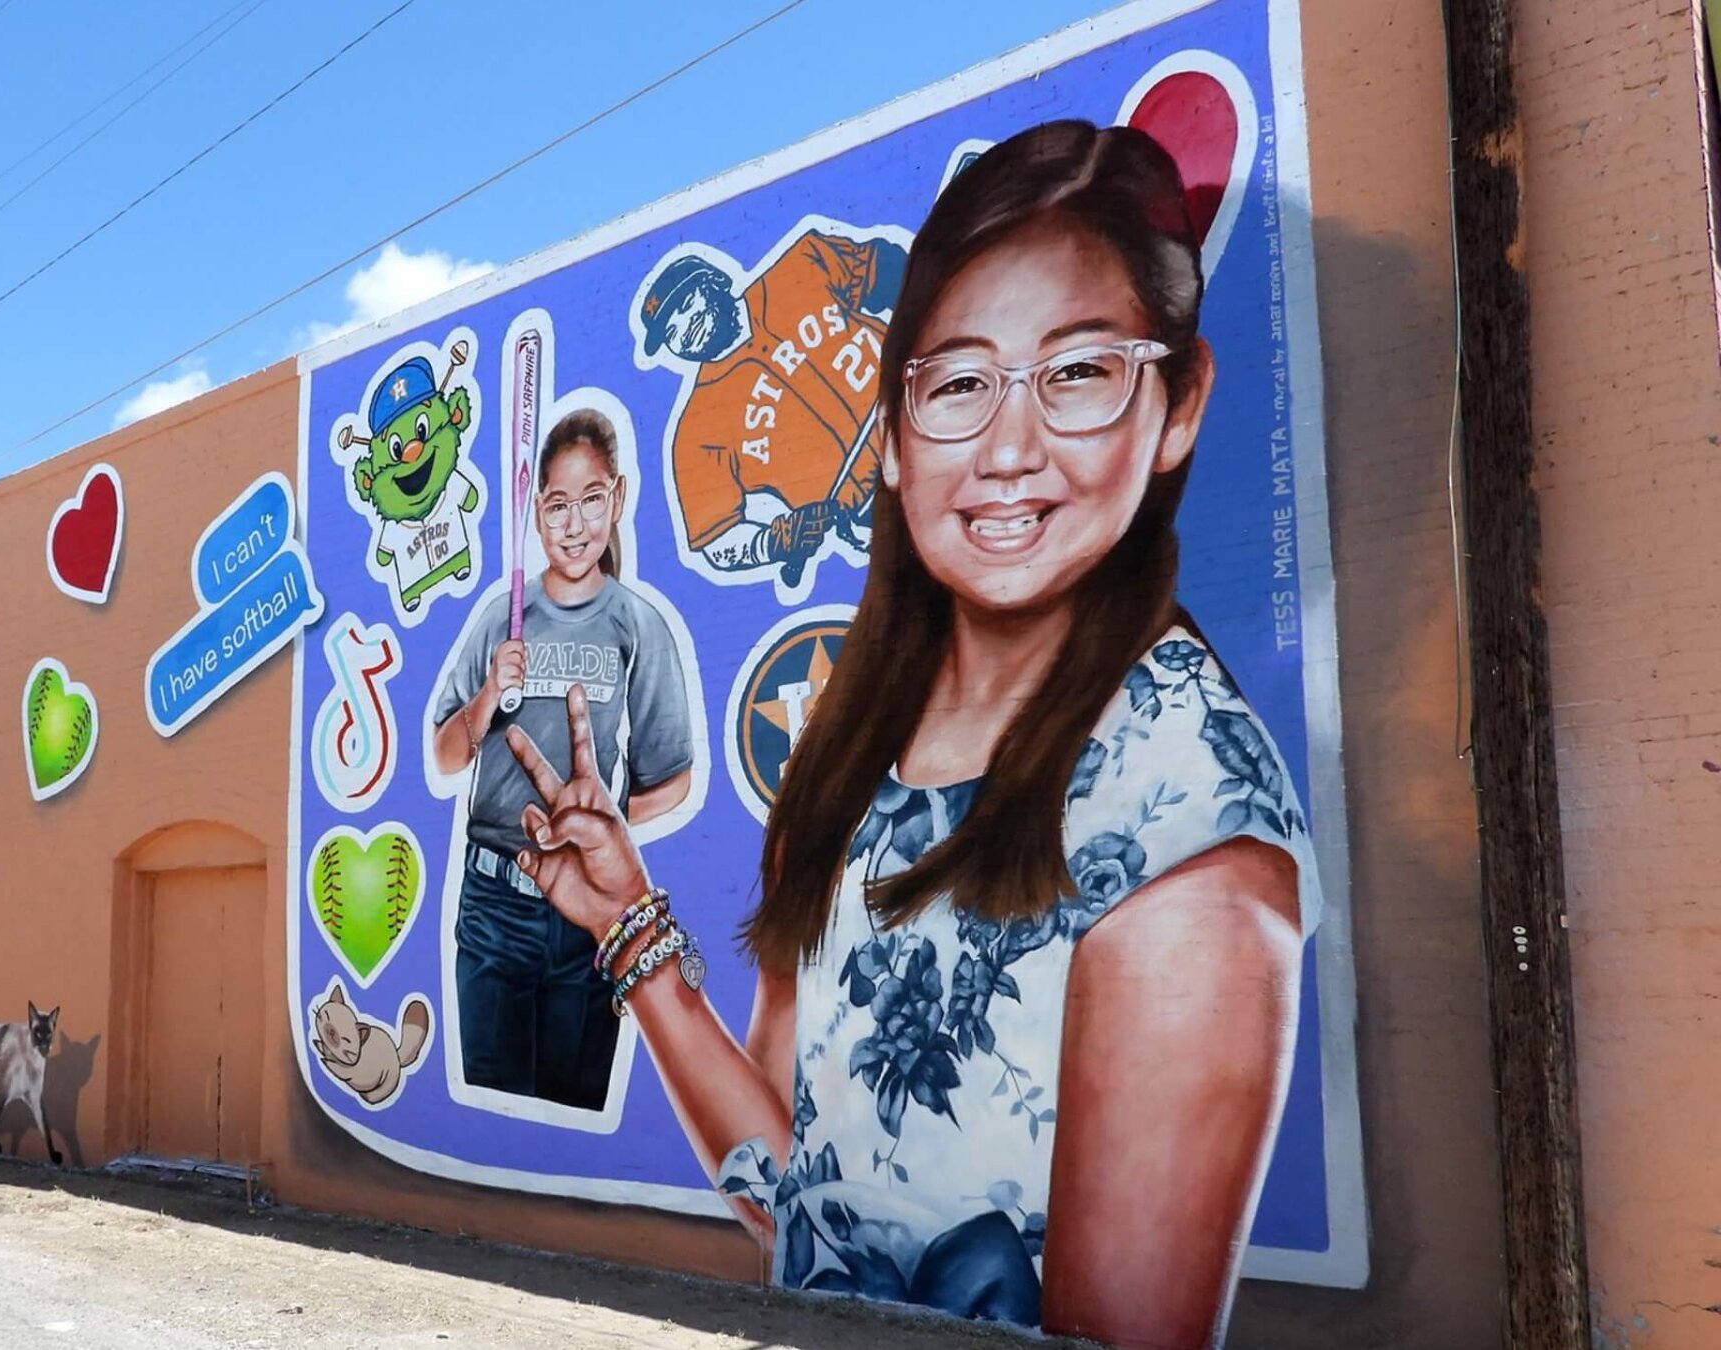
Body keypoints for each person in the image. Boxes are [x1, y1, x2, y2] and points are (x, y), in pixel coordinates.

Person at [499, 121, 1315, 1349]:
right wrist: (625, 923)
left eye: (1081, 371)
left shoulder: (1182, 830)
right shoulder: (849, 763)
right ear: (890, 438)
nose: (1006, 449)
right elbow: (798, 1207)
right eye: (960, 383)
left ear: (1180, 403)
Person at [430, 407, 697, 1110]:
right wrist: (490, 692)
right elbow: (446, 752)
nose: (574, 524)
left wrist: (593, 825)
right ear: (536, 513)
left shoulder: (638, 625)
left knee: (570, 1108)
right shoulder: (501, 616)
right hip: (494, 903)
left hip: (588, 909)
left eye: (590, 500)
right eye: (556, 505)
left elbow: (672, 782)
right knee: (492, 1114)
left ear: (618, 497)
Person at [637, 229, 907, 588]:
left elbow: (891, 270)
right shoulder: (695, 434)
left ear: (716, 282)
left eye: (686, 306)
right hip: (872, 516)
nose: (685, 330)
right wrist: (774, 542)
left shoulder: (803, 262)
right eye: (671, 332)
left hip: (926, 421)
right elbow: (716, 540)